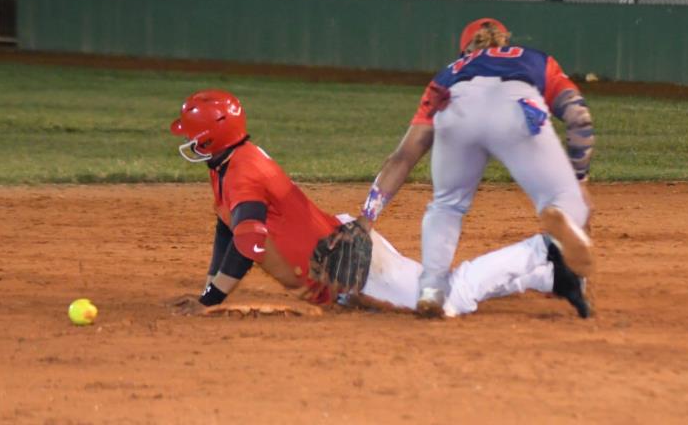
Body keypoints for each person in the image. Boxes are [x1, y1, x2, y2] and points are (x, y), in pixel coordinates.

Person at [168, 89, 589, 318]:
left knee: (449, 298)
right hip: (334, 254)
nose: (187, 140)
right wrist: (210, 288)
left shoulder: (241, 171)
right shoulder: (228, 163)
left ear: (211, 137)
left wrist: (210, 301)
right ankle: (549, 278)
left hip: (349, 262)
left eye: (191, 133)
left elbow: (249, 243)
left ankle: (542, 250)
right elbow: (229, 227)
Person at [356, 17, 595, 317]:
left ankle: (431, 287)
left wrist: (366, 218)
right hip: (518, 106)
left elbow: (402, 158)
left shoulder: (447, 75)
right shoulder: (535, 60)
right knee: (569, 205)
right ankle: (556, 255)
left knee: (446, 205)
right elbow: (578, 117)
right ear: (505, 42)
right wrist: (579, 180)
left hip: (457, 108)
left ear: (464, 53)